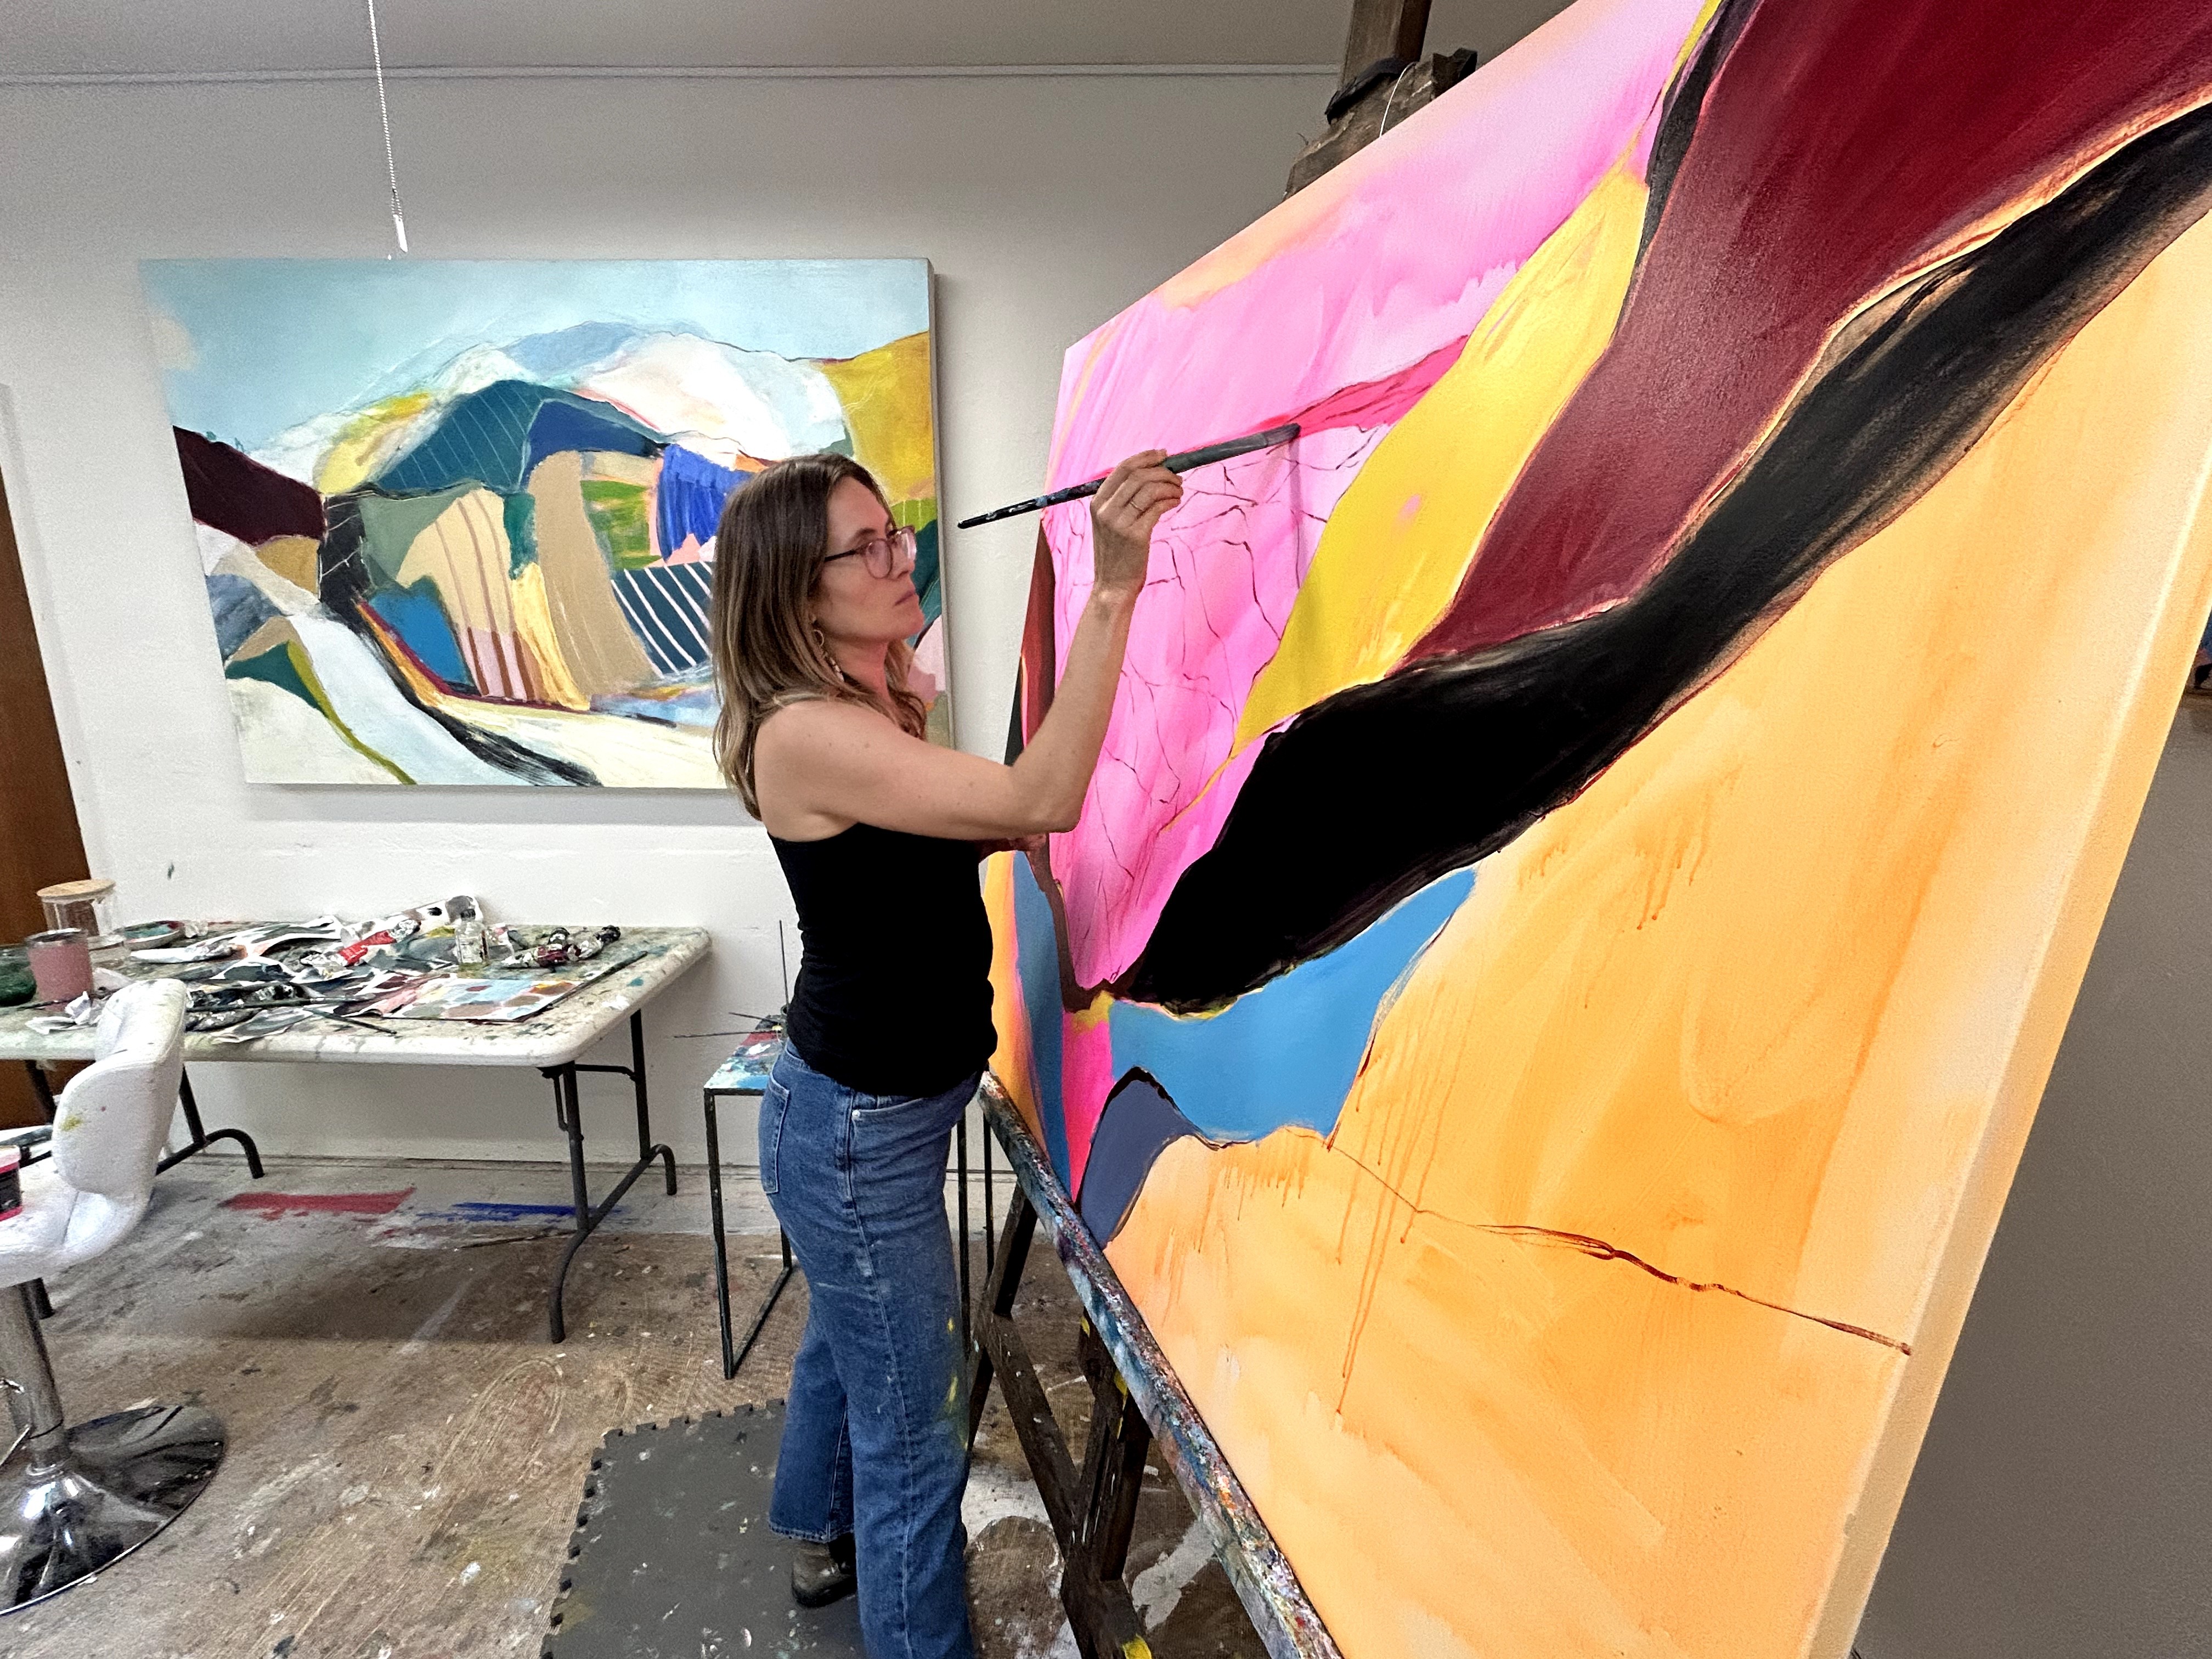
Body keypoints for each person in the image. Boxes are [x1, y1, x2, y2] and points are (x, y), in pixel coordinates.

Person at [707, 448, 1181, 1657]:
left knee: (846, 1331)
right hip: (855, 1129)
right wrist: (1114, 588)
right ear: (795, 593)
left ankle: (811, 1526)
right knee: (917, 1433)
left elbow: (925, 846)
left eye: (896, 532)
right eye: (864, 549)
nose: (898, 557)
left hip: (868, 1112)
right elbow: (1043, 796)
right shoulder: (807, 732)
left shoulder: (872, 700)